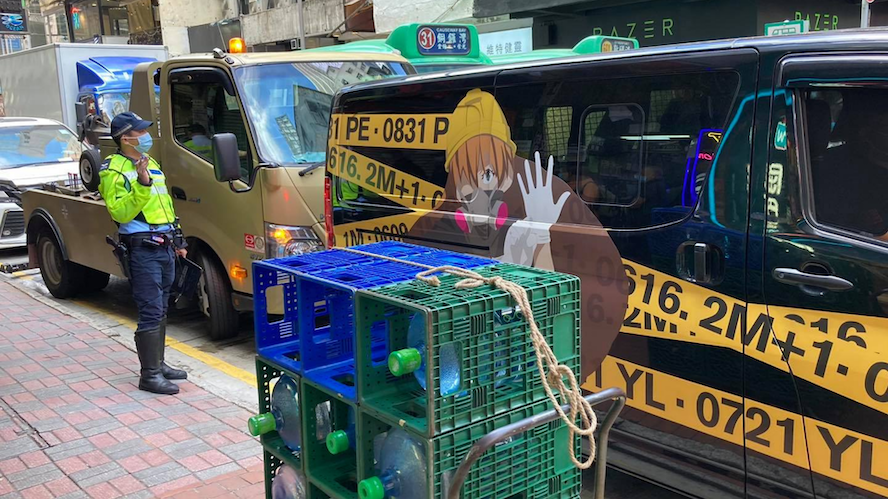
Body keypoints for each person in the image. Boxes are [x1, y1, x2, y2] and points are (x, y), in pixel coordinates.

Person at [99, 112, 188, 395]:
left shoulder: (150, 163)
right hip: (142, 249)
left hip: (164, 245)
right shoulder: (112, 170)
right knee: (150, 309)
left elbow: (165, 206)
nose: (146, 136)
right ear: (126, 138)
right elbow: (120, 212)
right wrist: (141, 182)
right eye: (140, 132)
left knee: (162, 307)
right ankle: (149, 375)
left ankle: (159, 364)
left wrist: (178, 238)